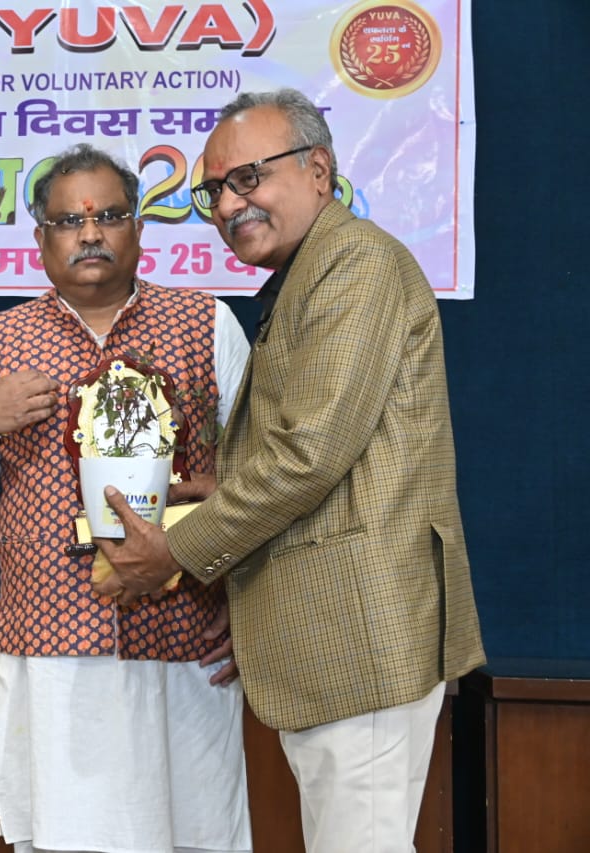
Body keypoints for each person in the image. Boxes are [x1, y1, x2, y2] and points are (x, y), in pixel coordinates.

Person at [92, 89, 487, 852]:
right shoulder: (313, 272)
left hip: (360, 635)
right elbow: (335, 444)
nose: (230, 204)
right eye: (214, 190)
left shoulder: (356, 264)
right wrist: (223, 484)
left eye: (249, 178)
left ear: (317, 170)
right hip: (336, 637)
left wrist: (174, 549)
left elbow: (310, 454)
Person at [0, 144, 252, 853]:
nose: (91, 232)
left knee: (190, 833)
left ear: (137, 228)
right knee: (62, 836)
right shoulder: (0, 340)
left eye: (108, 214)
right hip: (52, 653)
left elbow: (260, 481)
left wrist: (247, 604)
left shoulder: (207, 324)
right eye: (69, 220)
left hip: (183, 644)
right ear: (41, 238)